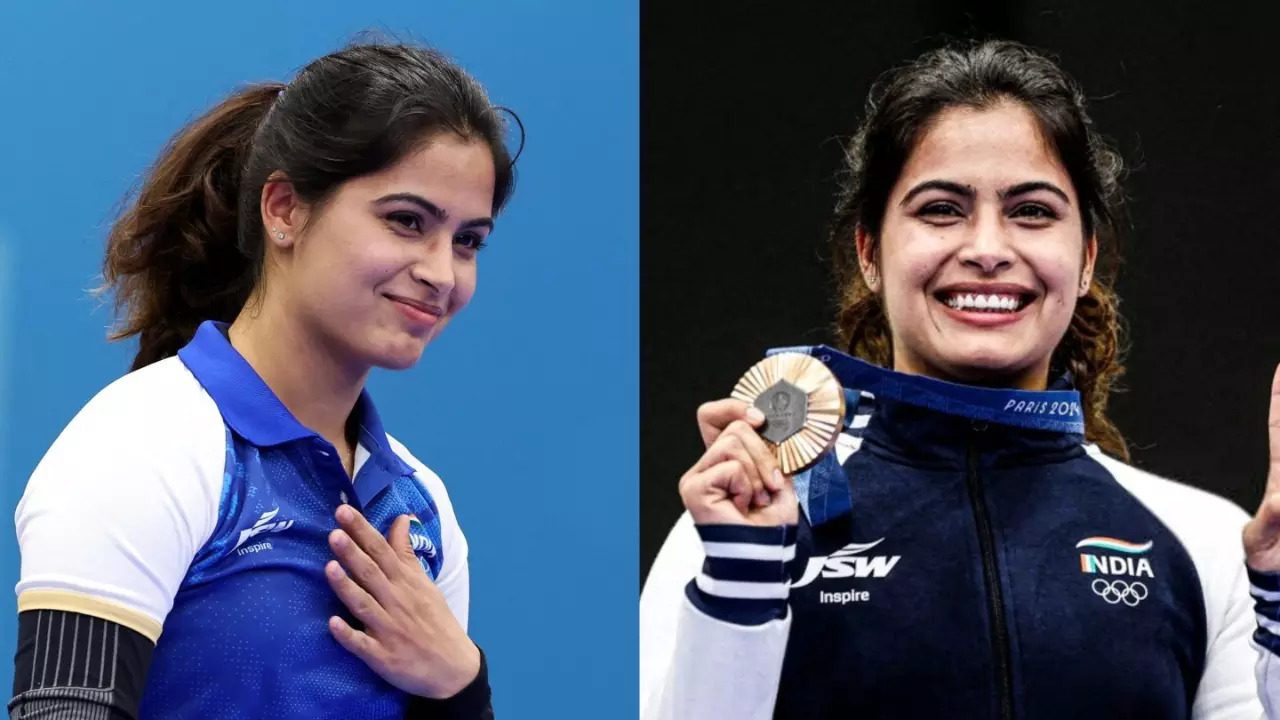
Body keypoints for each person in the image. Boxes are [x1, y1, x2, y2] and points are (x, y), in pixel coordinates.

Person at [640, 39, 1271, 718]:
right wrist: (743, 576)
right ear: (870, 252)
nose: (988, 251)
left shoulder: (1206, 543)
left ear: (1086, 258)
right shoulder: (744, 524)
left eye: (1032, 211)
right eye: (941, 209)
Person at [10, 41, 518, 720]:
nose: (442, 272)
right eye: (406, 221)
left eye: (468, 241)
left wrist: (461, 685)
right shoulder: (138, 446)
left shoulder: (423, 509)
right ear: (283, 209)